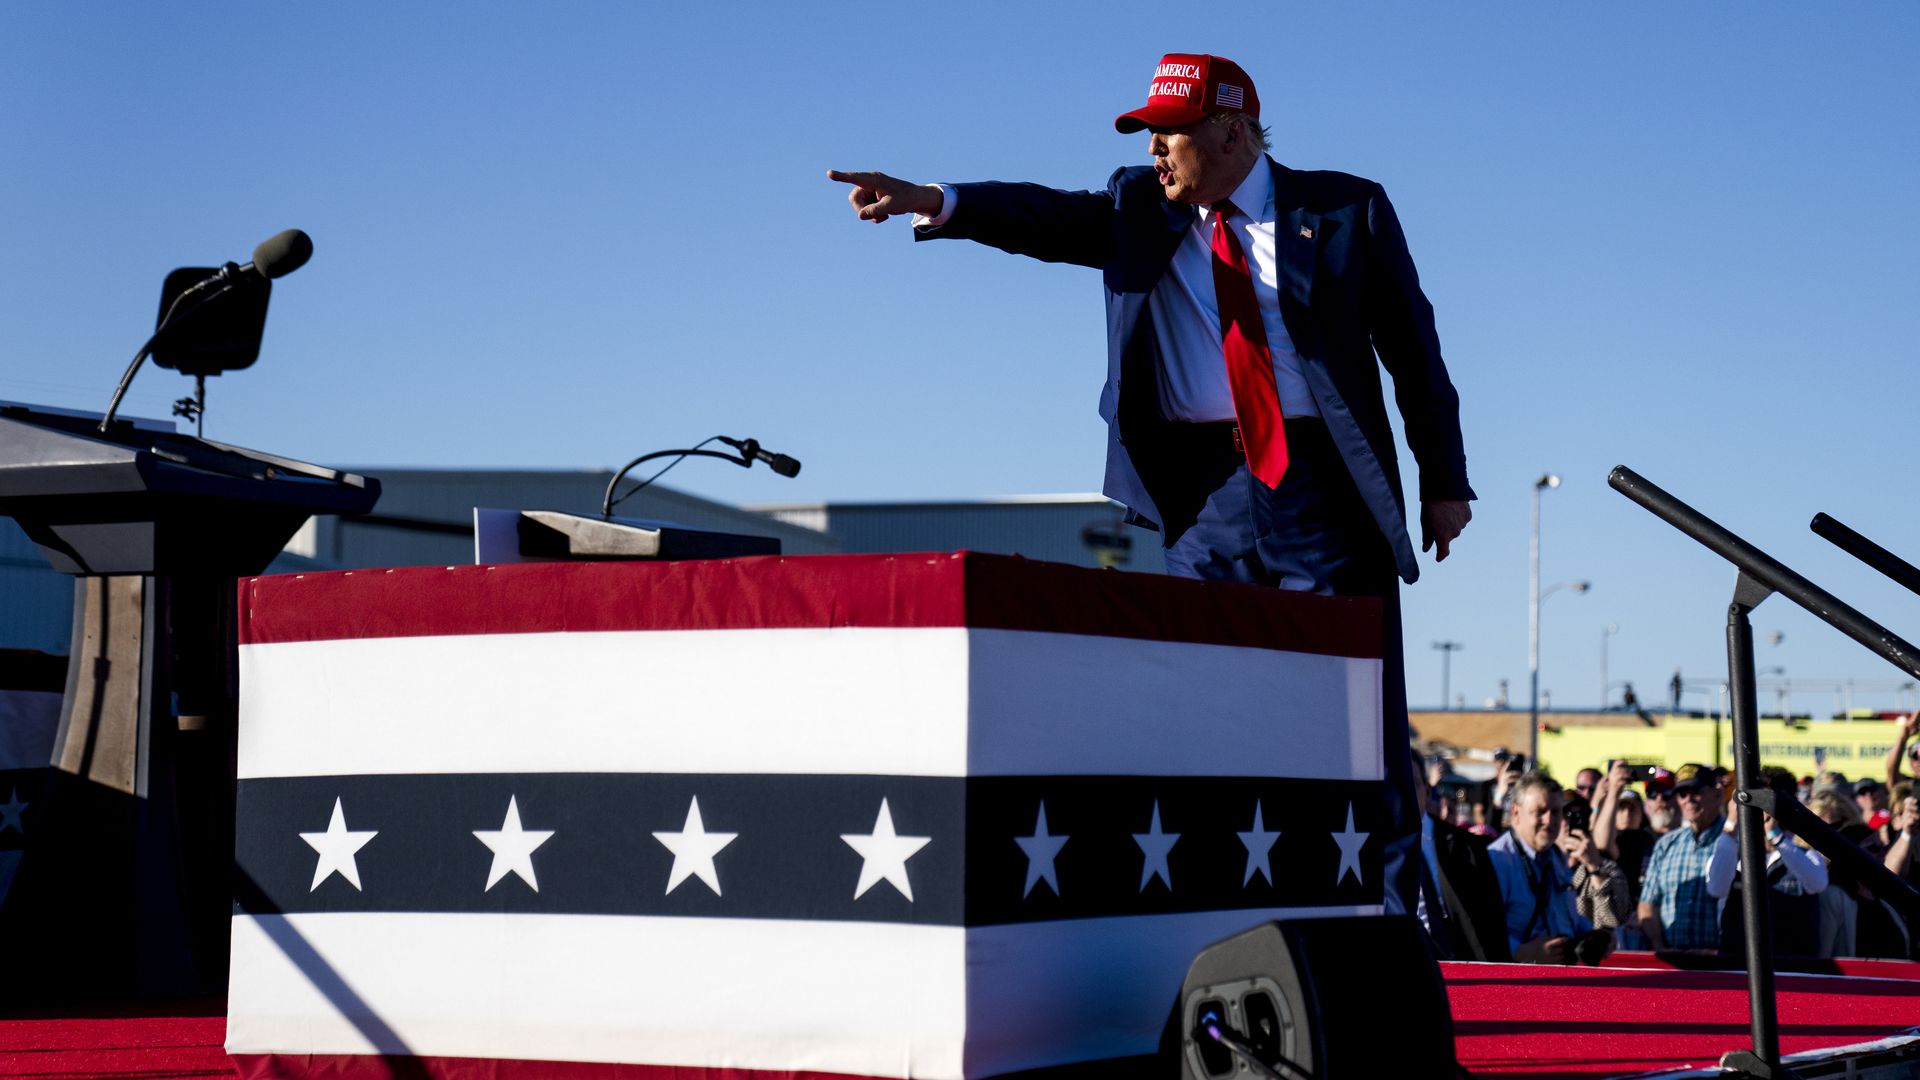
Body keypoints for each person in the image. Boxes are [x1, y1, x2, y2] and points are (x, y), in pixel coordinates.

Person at [829, 53, 1474, 920]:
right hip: (1205, 501)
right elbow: (1044, 218)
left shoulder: (1344, 207)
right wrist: (936, 200)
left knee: (1354, 722)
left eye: (1170, 131)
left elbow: (1412, 347)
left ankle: (1394, 931)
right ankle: (1226, 926)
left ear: (1233, 131)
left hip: (1323, 492)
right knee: (1210, 720)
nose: (1156, 149)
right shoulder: (1137, 206)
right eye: (1148, 134)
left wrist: (1444, 481)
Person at [1487, 773, 1625, 963]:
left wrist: (1592, 936)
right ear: (1516, 813)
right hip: (1519, 982)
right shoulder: (1498, 860)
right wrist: (1521, 952)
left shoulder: (1555, 857)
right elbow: (1480, 930)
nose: (1549, 820)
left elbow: (1568, 916)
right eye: (1540, 811)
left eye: (1556, 812)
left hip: (1559, 979)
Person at [1708, 767, 1828, 961]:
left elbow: (1818, 883)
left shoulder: (1803, 851)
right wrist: (1731, 824)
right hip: (1738, 961)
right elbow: (1716, 887)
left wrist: (1777, 838)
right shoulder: (1731, 850)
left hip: (1792, 964)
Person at [1636, 763, 1728, 952]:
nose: (1688, 800)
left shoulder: (1736, 840)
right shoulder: (1667, 844)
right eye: (1682, 794)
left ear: (1717, 795)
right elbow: (1647, 904)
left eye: (1696, 791)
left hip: (1722, 964)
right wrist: (1659, 946)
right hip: (1675, 958)